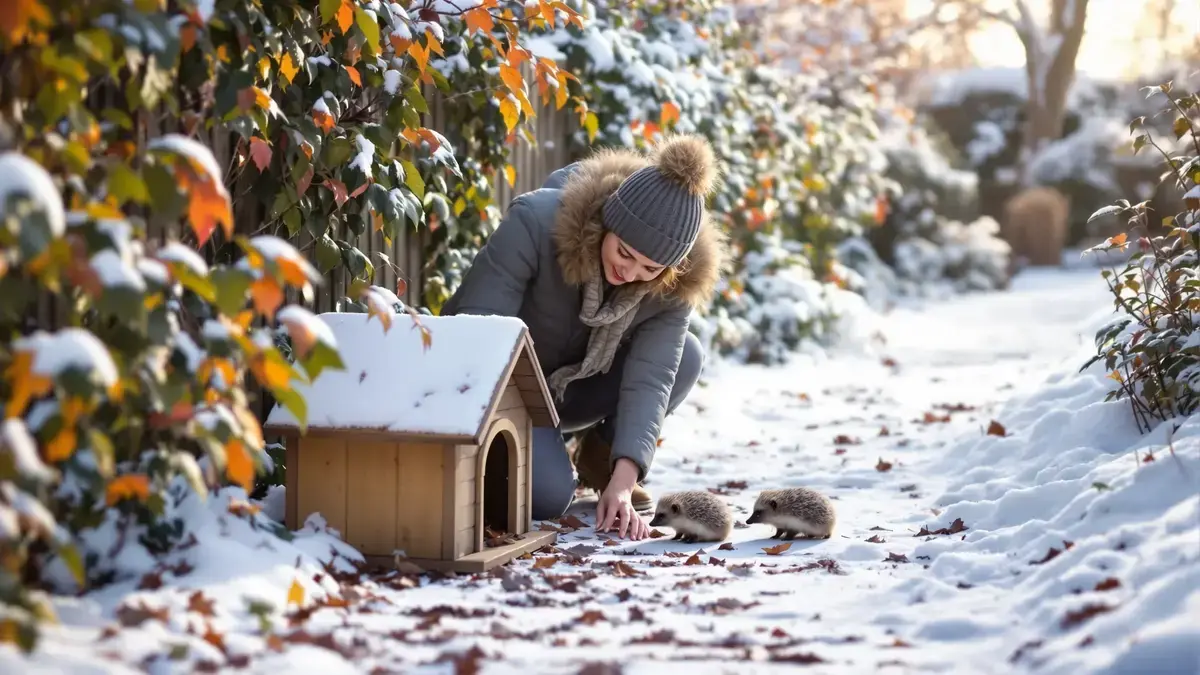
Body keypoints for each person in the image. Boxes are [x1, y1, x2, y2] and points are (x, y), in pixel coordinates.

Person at [440, 134, 729, 541]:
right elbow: (479, 330)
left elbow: (651, 378)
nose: (631, 273)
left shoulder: (672, 286)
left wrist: (624, 481)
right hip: (506, 389)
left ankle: (600, 461)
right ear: (608, 221)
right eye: (625, 253)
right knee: (547, 496)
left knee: (687, 356)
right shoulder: (535, 223)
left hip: (575, 392)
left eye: (650, 269)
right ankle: (539, 454)